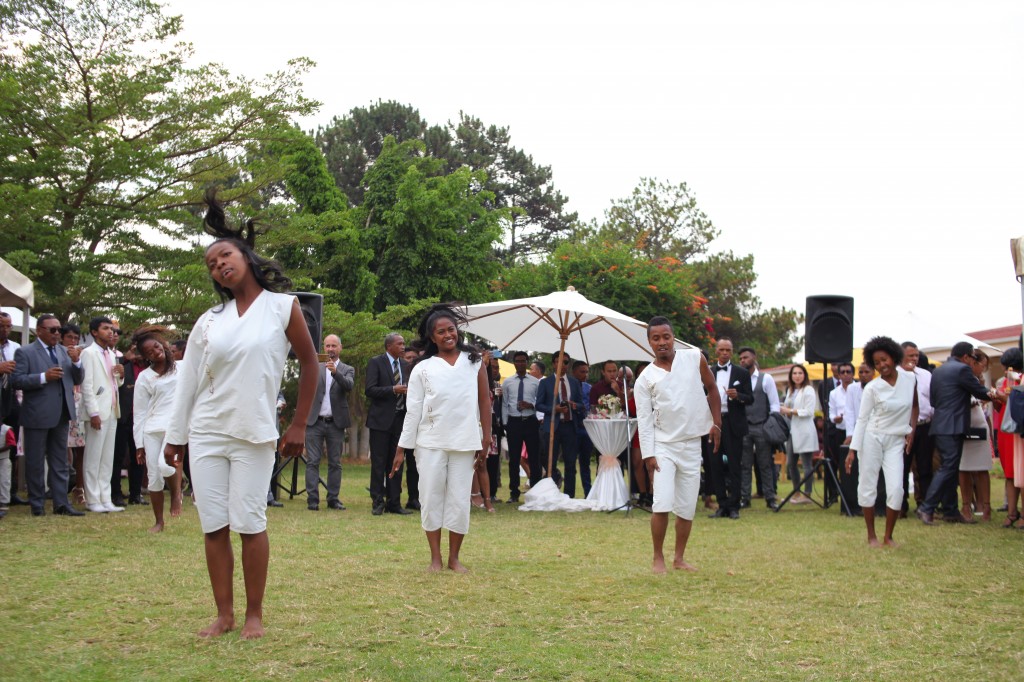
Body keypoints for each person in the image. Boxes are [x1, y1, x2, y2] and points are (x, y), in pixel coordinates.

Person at [163, 190, 318, 639]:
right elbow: (188, 380)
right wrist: (176, 438)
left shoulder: (282, 307)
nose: (219, 266)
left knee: (250, 522)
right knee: (214, 525)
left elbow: (310, 364)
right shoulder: (210, 319)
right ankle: (224, 614)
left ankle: (254, 614)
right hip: (207, 432)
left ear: (246, 257)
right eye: (212, 264)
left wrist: (298, 423)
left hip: (254, 432)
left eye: (225, 256)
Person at [392, 303, 490, 572]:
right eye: (441, 332)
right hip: (430, 443)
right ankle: (435, 558)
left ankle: (454, 558)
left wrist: (486, 438)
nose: (448, 335)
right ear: (431, 337)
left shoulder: (474, 362)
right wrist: (402, 447)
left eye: (451, 329)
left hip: (465, 442)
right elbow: (413, 412)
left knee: (459, 500)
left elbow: (485, 400)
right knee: (431, 496)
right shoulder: (422, 368)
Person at [635, 316, 721, 573]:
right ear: (649, 342)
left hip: (692, 444)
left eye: (666, 337)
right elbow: (644, 420)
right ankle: (657, 557)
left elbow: (713, 389)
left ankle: (679, 558)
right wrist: (649, 456)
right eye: (656, 338)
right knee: (661, 502)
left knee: (686, 506)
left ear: (674, 338)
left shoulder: (694, 358)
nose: (662, 342)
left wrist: (717, 424)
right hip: (663, 447)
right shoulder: (645, 379)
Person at [845, 336, 918, 547]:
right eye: (876, 363)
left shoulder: (910, 379)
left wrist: (911, 429)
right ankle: (871, 536)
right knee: (868, 485)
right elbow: (862, 419)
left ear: (893, 356)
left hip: (896, 440)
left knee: (896, 489)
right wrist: (853, 450)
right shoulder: (872, 388)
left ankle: (889, 536)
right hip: (872, 438)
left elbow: (914, 405)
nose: (881, 365)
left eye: (884, 359)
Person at [916, 342, 1000, 525]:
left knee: (951, 469)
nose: (972, 361)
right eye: (972, 357)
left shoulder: (938, 370)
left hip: (940, 423)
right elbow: (980, 392)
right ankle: (927, 507)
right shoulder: (962, 370)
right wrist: (996, 393)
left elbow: (933, 399)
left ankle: (951, 511)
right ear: (966, 357)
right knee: (948, 467)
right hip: (952, 425)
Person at [11, 314, 85, 516]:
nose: (57, 334)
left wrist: (77, 362)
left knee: (60, 461)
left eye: (59, 330)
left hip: (62, 413)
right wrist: (44, 377)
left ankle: (61, 504)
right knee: (35, 461)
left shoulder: (64, 352)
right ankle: (37, 504)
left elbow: (77, 378)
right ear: (39, 330)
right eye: (52, 330)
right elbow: (17, 381)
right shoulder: (25, 352)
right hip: (37, 414)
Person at [131, 326, 182, 533]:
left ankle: (176, 493)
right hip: (151, 429)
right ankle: (159, 522)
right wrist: (139, 444)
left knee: (165, 465)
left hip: (174, 427)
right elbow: (140, 412)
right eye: (149, 352)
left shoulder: (182, 367)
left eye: (156, 346)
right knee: (154, 475)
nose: (155, 351)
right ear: (145, 357)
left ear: (162, 344)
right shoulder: (144, 377)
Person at [365, 333, 414, 516]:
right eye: (399, 344)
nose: (403, 347)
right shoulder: (376, 362)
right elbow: (369, 390)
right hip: (380, 421)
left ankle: (394, 502)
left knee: (396, 463)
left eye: (403, 344)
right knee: (379, 463)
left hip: (400, 420)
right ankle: (377, 502)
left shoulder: (405, 365)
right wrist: (393, 389)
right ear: (389, 346)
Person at [80, 316, 125, 513]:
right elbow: (87, 385)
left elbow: (114, 384)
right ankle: (92, 499)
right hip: (98, 412)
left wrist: (121, 375)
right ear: (94, 332)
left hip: (112, 410)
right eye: (106, 328)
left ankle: (105, 497)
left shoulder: (111, 354)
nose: (111, 332)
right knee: (93, 457)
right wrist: (93, 413)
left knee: (107, 457)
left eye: (112, 329)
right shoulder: (88, 354)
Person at [304, 334, 354, 512]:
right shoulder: (314, 367)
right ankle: (312, 500)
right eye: (327, 346)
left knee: (335, 463)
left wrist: (336, 372)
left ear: (340, 348)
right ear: (323, 348)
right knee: (312, 462)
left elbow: (348, 386)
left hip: (336, 423)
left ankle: (333, 499)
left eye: (334, 346)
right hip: (314, 421)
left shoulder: (347, 369)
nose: (330, 349)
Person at [708, 338, 753, 519]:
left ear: (732, 352)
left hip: (733, 424)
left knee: (735, 465)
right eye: (722, 349)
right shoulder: (709, 371)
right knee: (715, 464)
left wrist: (738, 395)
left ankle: (734, 506)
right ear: (716, 351)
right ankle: (721, 504)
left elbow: (750, 398)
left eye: (728, 350)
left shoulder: (741, 373)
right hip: (713, 423)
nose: (725, 352)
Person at [536, 351, 586, 497]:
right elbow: (538, 405)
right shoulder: (545, 382)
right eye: (559, 362)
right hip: (552, 426)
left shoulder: (574, 382)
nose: (562, 365)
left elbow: (582, 404)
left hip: (570, 426)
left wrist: (574, 405)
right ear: (553, 363)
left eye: (565, 362)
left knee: (570, 463)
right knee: (550, 462)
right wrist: (554, 409)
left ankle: (569, 495)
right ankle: (551, 493)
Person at [737, 346, 781, 510]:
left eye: (746, 357)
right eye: (741, 358)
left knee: (765, 464)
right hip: (744, 427)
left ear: (754, 358)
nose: (743, 361)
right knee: (745, 464)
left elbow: (775, 404)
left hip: (762, 425)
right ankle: (745, 498)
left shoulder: (766, 378)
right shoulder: (739, 379)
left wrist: (771, 424)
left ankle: (770, 497)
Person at [958, 352, 993, 523]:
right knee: (963, 467)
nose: (983, 369)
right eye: (982, 365)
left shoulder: (980, 381)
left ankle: (985, 505)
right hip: (962, 422)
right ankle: (966, 505)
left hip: (978, 420)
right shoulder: (961, 375)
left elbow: (984, 397)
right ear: (973, 362)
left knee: (982, 466)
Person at [500, 351, 540, 502]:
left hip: (530, 421)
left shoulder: (535, 382)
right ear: (514, 363)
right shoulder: (508, 382)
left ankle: (535, 490)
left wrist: (532, 405)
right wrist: (505, 423)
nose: (520, 364)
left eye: (523, 361)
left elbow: (540, 403)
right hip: (514, 422)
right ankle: (514, 492)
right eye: (517, 361)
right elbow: (504, 404)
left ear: (527, 362)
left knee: (534, 458)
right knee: (514, 459)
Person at [900, 341, 934, 515]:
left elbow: (932, 400)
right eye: (910, 355)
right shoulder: (895, 376)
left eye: (916, 355)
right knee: (902, 467)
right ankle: (901, 505)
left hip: (923, 427)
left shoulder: (926, 375)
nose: (914, 359)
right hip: (902, 429)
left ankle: (925, 505)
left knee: (925, 467)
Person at [992, 347, 1023, 528]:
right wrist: (996, 399)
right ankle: (1012, 512)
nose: (1005, 371)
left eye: (1007, 367)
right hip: (1005, 429)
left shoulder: (1018, 379)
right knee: (1009, 473)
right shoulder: (1005, 381)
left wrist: (1002, 397)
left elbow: (1015, 401)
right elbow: (1001, 406)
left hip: (1017, 431)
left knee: (1020, 473)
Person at [782, 364, 817, 503]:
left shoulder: (808, 390)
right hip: (792, 431)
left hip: (804, 431)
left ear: (805, 375)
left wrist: (789, 411)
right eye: (794, 373)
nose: (797, 376)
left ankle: (807, 494)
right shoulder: (790, 390)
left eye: (800, 373)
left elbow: (808, 411)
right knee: (791, 463)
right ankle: (797, 492)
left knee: (806, 463)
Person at [61, 324, 87, 506]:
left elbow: (82, 377)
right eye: (69, 337)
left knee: (80, 449)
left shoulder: (82, 355)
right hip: (61, 403)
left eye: (76, 338)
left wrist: (77, 359)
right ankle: (60, 487)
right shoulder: (57, 353)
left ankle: (79, 487)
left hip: (79, 403)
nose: (73, 341)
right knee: (60, 449)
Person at [572, 360, 594, 496]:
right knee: (570, 463)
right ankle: (570, 493)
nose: (585, 374)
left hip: (586, 429)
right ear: (574, 372)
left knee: (585, 463)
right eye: (582, 372)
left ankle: (588, 493)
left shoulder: (589, 388)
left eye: (586, 372)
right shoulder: (568, 386)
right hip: (572, 428)